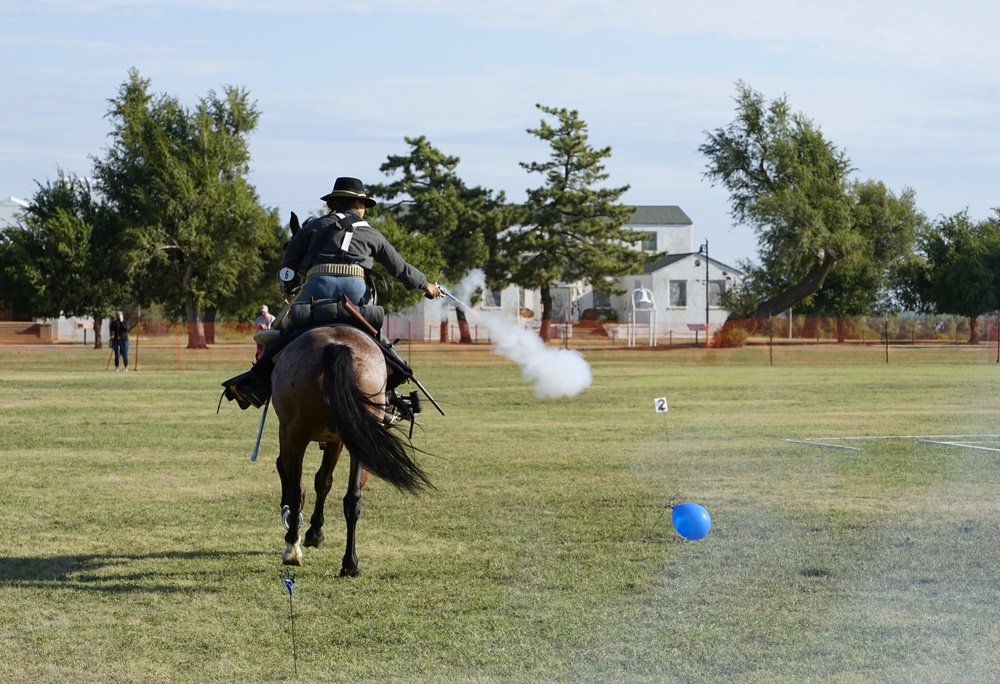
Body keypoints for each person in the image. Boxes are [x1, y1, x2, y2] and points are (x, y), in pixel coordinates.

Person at [223, 176, 441, 412]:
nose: (364, 210)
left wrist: (288, 283)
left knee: (279, 331)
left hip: (316, 288)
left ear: (335, 203)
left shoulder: (313, 227)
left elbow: (289, 266)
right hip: (355, 293)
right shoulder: (373, 234)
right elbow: (400, 269)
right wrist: (426, 286)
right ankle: (391, 392)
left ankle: (256, 384)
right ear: (357, 204)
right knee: (378, 340)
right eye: (364, 205)